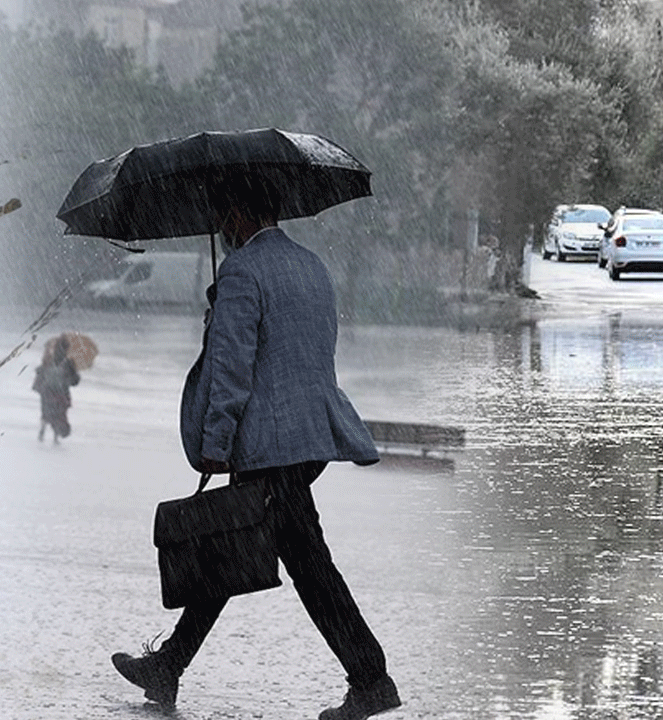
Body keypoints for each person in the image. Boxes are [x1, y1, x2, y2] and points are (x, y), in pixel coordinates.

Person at [111, 174, 400, 720]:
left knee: (307, 565)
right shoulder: (312, 267)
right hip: (309, 438)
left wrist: (216, 442)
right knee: (231, 543)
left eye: (226, 216)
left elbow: (232, 370)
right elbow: (299, 354)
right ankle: (169, 666)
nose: (223, 226)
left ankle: (371, 679)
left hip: (269, 446)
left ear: (241, 214)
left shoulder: (242, 271)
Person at [32, 336, 80, 443]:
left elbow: (41, 372)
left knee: (47, 412)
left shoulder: (49, 359)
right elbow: (75, 379)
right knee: (59, 414)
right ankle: (54, 436)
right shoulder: (67, 363)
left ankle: (44, 432)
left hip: (49, 391)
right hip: (60, 392)